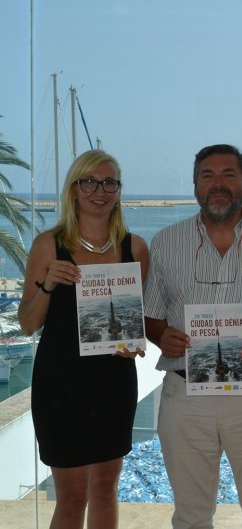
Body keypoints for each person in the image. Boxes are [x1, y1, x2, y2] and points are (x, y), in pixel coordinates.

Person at [144, 144, 242, 529]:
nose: (218, 184)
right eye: (207, 176)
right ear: (195, 185)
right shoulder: (165, 243)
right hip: (185, 398)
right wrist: (163, 336)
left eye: (229, 175)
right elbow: (149, 316)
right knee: (191, 517)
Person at [18, 150, 148, 528]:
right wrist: (47, 285)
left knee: (106, 490)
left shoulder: (135, 248)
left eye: (109, 182)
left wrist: (134, 342)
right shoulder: (48, 245)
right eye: (88, 181)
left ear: (119, 191)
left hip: (113, 382)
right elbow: (27, 324)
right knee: (72, 497)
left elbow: (131, 320)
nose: (99, 190)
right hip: (60, 386)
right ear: (73, 191)